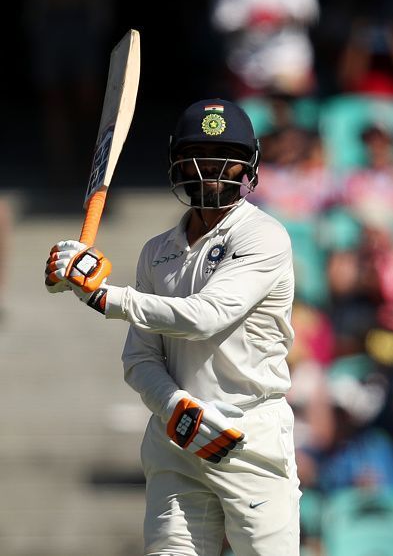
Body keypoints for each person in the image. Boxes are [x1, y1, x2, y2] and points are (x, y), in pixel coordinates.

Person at [44, 99, 301, 556]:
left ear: (249, 165)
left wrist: (104, 296)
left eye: (225, 159)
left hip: (250, 436)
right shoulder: (156, 251)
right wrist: (173, 406)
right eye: (199, 157)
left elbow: (206, 317)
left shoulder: (264, 237)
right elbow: (139, 357)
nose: (211, 172)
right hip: (176, 437)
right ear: (179, 163)